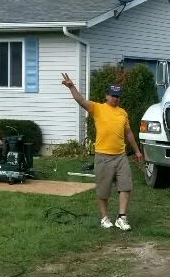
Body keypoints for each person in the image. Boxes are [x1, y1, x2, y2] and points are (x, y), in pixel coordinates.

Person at [61, 72, 143, 231]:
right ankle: (104, 218)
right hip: (103, 156)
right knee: (103, 191)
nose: (115, 98)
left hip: (120, 156)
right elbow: (80, 100)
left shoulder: (122, 113)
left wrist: (137, 151)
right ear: (106, 96)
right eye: (113, 95)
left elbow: (128, 133)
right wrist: (72, 87)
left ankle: (121, 218)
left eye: (117, 96)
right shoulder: (97, 108)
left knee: (126, 186)